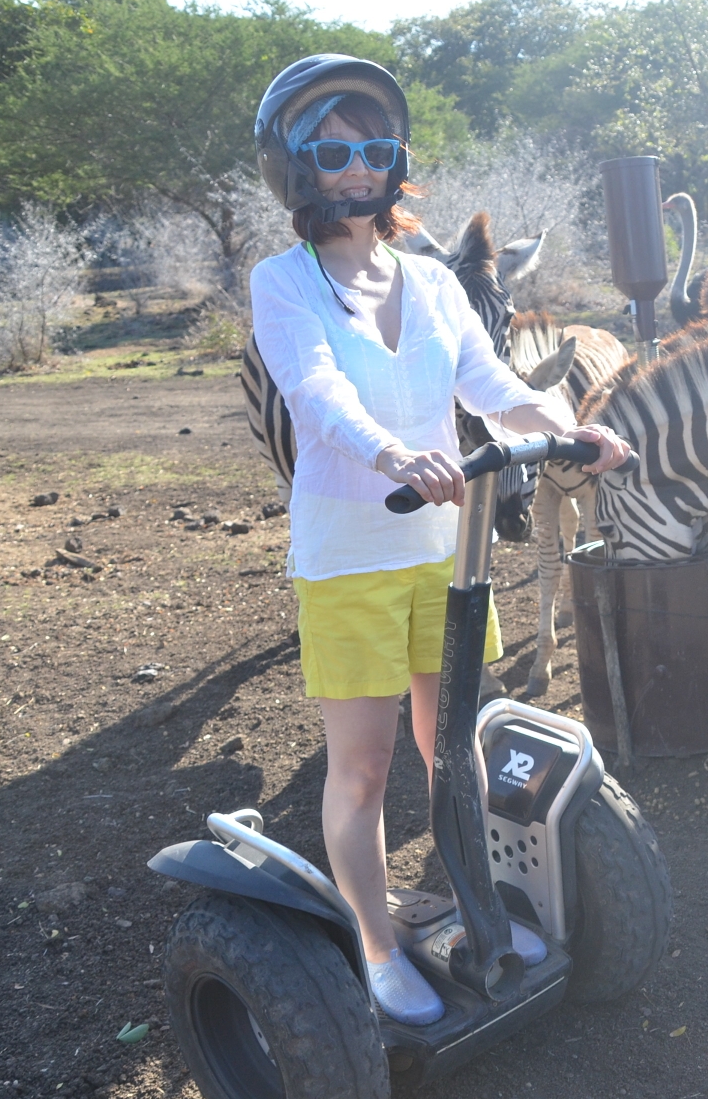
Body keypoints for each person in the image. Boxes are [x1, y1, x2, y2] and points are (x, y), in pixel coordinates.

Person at [249, 55, 629, 1025]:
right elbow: (316, 396)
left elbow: (489, 381)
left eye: (374, 148)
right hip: (350, 558)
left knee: (451, 746)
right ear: (294, 166)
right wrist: (392, 455)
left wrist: (568, 421)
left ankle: (467, 907)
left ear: (397, 161)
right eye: (332, 151)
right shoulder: (282, 283)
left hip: (443, 553)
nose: (357, 169)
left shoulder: (429, 280)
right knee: (364, 766)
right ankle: (377, 947)